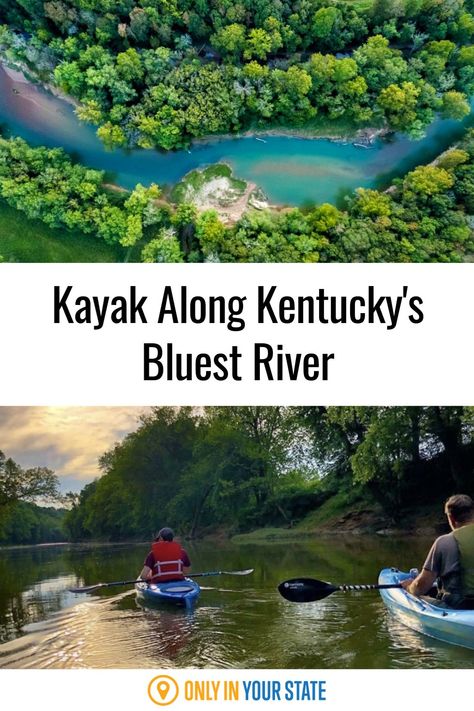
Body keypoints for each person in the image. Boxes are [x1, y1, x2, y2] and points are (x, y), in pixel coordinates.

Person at [400, 494, 474, 609]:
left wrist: (409, 588)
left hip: (460, 606)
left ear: (451, 519)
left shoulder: (444, 542)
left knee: (417, 597)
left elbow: (422, 585)